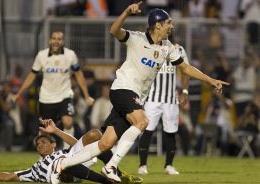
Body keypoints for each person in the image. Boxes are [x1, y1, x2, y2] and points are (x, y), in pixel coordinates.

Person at [49, 2, 229, 183]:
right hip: (123, 89)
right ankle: (111, 166)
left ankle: (63, 165)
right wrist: (126, 12)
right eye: (169, 22)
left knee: (105, 144)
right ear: (158, 24)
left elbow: (186, 69)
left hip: (134, 97)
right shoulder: (136, 38)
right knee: (142, 121)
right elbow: (114, 31)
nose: (172, 26)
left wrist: (211, 80)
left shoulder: (167, 47)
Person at [0, 118, 142, 184]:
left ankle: (116, 173)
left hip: (72, 161)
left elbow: (79, 144)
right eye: (37, 144)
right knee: (63, 165)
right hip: (65, 173)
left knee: (95, 135)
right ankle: (107, 182)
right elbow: (8, 176)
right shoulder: (34, 169)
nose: (39, 145)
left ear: (53, 144)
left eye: (43, 141)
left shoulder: (63, 152)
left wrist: (55, 130)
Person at [12, 31, 94, 149]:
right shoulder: (41, 55)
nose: (56, 41)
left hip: (65, 95)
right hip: (46, 97)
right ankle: (43, 158)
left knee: (68, 122)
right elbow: (32, 75)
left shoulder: (70, 55)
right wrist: (19, 93)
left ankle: (67, 153)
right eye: (54, 38)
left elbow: (79, 74)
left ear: (63, 41)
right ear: (50, 40)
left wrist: (86, 95)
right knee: (45, 129)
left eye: (59, 39)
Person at [138, 29, 189, 175]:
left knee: (170, 132)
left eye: (170, 30)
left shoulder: (178, 49)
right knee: (146, 131)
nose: (168, 31)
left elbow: (185, 71)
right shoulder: (150, 47)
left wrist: (185, 92)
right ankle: (142, 165)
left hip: (170, 100)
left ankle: (169, 166)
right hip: (152, 98)